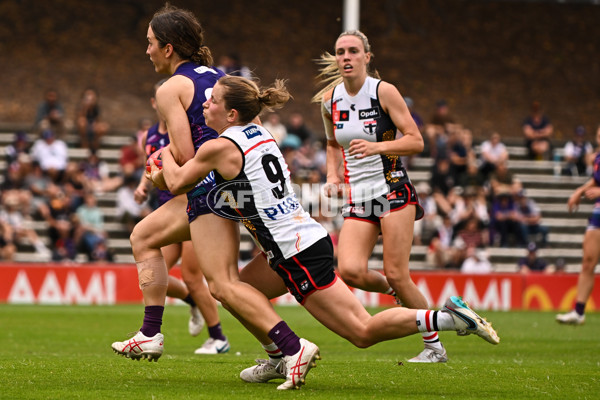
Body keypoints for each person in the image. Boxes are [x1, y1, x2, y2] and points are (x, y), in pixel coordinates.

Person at [155, 74, 499, 389]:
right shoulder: (260, 133)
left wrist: (162, 156)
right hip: (299, 242)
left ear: (231, 114)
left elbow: (173, 181)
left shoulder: (220, 147)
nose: (204, 104)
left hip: (295, 252)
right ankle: (278, 357)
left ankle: (450, 318)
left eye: (212, 100)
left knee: (362, 331)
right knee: (237, 292)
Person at [110, 4, 277, 367]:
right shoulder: (220, 77)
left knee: (216, 281)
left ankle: (289, 347)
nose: (147, 50)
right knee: (225, 283)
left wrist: (160, 161)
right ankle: (281, 349)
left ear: (169, 48)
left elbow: (186, 155)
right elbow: (257, 130)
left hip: (209, 189)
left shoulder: (172, 88)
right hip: (243, 183)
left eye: (151, 42)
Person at [311, 30, 450, 363]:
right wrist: (332, 176)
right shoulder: (330, 100)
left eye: (353, 51)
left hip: (393, 190)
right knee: (351, 270)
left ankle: (435, 348)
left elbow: (416, 140)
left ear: (366, 57)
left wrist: (378, 146)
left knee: (398, 272)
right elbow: (332, 144)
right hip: (359, 197)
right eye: (341, 51)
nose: (346, 57)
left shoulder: (383, 91)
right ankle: (395, 292)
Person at [133, 78, 229, 353]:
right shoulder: (149, 136)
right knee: (151, 273)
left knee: (191, 275)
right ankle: (191, 303)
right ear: (155, 103)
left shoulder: (183, 128)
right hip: (167, 206)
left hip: (190, 201)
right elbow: (149, 166)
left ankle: (218, 337)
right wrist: (142, 186)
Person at [556, 125, 600, 325]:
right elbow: (595, 180)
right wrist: (579, 191)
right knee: (588, 261)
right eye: (599, 134)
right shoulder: (597, 158)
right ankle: (579, 311)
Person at [75, 88, 110, 152]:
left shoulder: (96, 107)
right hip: (84, 126)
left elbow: (98, 120)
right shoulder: (81, 106)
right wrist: (86, 107)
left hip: (93, 126)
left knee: (104, 127)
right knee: (82, 122)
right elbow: (80, 118)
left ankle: (95, 146)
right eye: (88, 95)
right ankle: (85, 145)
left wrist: (95, 125)